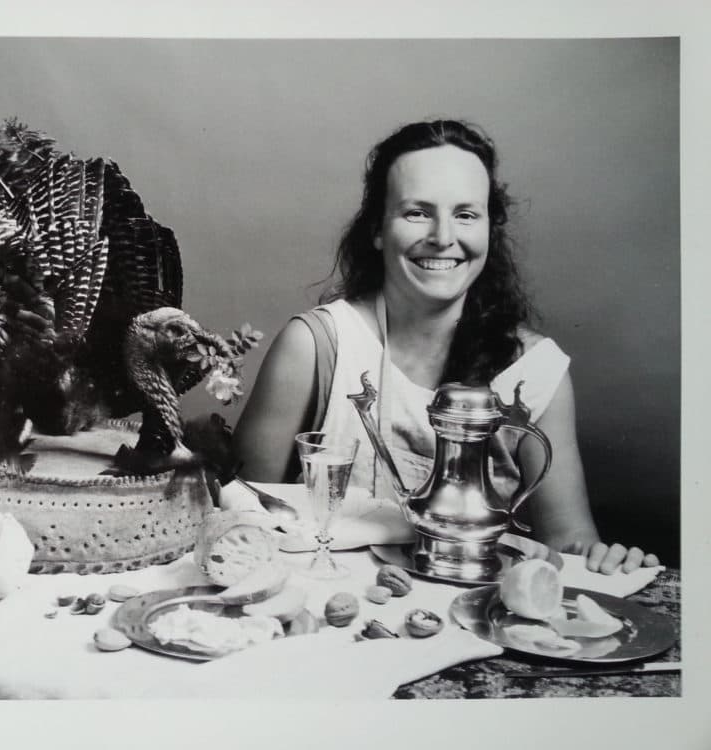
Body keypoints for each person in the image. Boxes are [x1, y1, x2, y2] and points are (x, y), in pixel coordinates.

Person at [233, 119, 659, 575]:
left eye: (466, 214)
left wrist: (605, 562)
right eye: (417, 212)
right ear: (377, 229)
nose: (442, 236)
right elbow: (238, 522)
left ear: (489, 231)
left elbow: (569, 547)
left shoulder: (535, 371)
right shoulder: (315, 346)